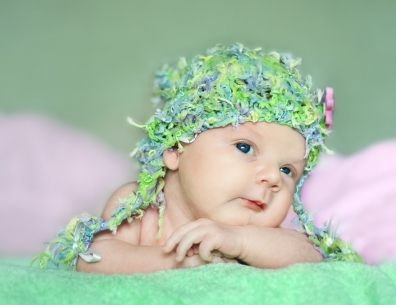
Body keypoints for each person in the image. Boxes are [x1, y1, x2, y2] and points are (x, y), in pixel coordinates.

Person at [34, 44, 363, 273]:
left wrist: (241, 242)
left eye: (287, 169)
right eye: (245, 147)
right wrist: (175, 263)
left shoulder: (261, 237)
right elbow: (93, 258)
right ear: (176, 150)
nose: (273, 179)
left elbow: (311, 255)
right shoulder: (141, 206)